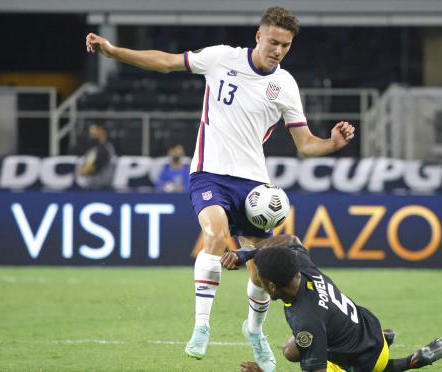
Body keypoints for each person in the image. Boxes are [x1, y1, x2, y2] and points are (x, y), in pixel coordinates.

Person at [86, 7, 356, 370]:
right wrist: (114, 51)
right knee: (215, 235)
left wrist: (332, 143)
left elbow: (306, 145)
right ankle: (201, 327)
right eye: (273, 42)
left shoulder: (286, 86)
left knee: (261, 268)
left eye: (285, 45)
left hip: (254, 185)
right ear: (258, 36)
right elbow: (165, 62)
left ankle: (255, 331)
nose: (278, 50)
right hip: (209, 173)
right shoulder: (220, 58)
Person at [221, 235, 442, 372]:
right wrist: (247, 253)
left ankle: (408, 362)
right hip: (368, 327)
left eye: (260, 279)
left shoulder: (306, 322)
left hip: (367, 359)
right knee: (291, 351)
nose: (257, 281)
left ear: (272, 287)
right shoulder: (301, 269)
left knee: (314, 353)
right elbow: (291, 240)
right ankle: (383, 339)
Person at [78, 123, 116, 190]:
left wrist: (83, 169)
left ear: (102, 131)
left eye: (95, 129)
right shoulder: (96, 148)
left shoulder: (103, 150)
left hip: (99, 189)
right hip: (96, 188)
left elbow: (88, 170)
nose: (91, 131)